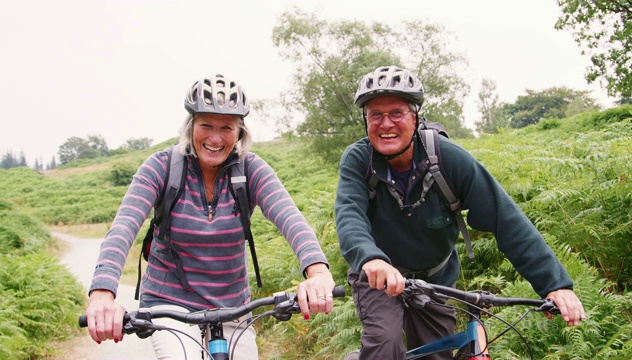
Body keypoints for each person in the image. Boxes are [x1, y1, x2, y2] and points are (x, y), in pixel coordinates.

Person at [335, 65, 586, 360]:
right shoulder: (359, 159)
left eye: (396, 113)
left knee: (437, 355)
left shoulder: (448, 159)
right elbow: (349, 214)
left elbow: (506, 219)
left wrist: (554, 285)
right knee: (384, 345)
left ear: (415, 117)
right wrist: (371, 258)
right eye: (375, 115)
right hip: (377, 275)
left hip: (434, 278)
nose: (385, 123)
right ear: (365, 120)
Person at [85, 73, 335, 360]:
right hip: (170, 306)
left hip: (232, 307)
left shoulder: (250, 169)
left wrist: (317, 272)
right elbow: (122, 229)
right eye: (206, 125)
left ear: (239, 132)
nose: (215, 138)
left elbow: (291, 219)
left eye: (226, 127)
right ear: (191, 127)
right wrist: (103, 294)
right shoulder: (161, 167)